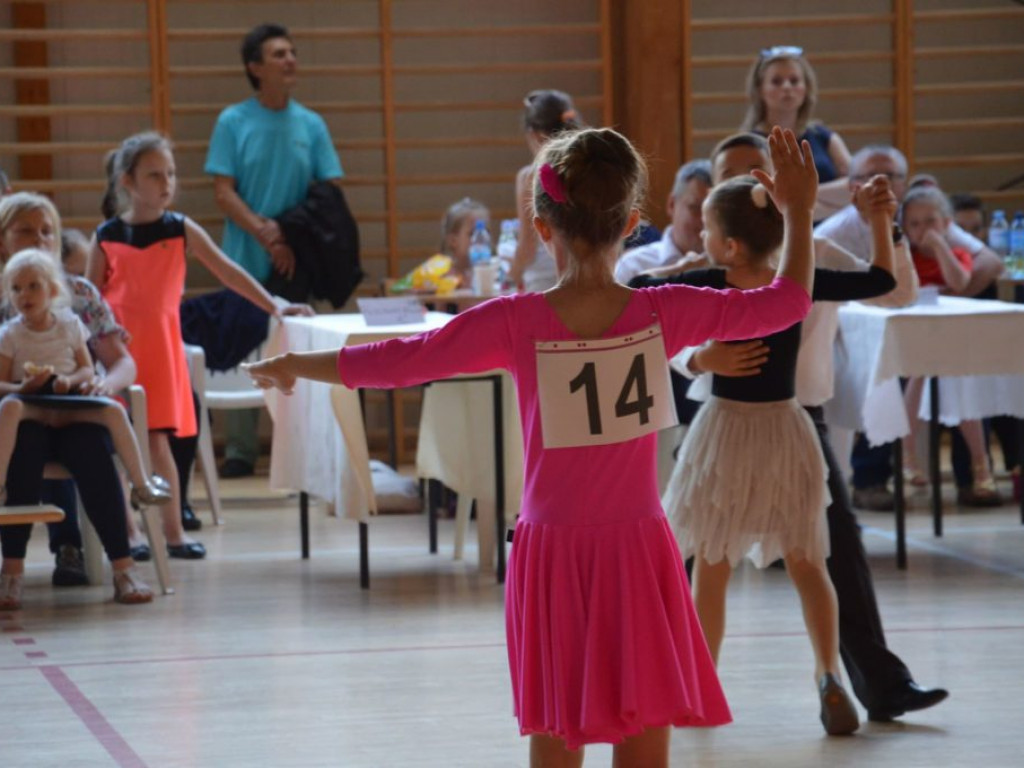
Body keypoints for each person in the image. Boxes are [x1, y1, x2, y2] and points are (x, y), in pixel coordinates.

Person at [243, 126, 816, 765]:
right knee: (644, 744)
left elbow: (403, 361)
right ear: (631, 224)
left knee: (555, 741)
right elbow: (788, 301)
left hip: (553, 552)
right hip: (637, 549)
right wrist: (797, 212)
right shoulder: (665, 308)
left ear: (543, 229)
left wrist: (297, 362)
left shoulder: (515, 320)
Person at [634, 132, 949, 726]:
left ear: (727, 243)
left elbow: (639, 299)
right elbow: (881, 279)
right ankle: (827, 671)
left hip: (734, 429)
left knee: (715, 562)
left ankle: (704, 687)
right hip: (785, 427)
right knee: (808, 561)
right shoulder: (794, 281)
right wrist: (701, 358)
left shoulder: (716, 277)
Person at [89, 131, 309, 559]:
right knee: (119, 447)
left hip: (162, 354)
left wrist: (276, 306)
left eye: (170, 173)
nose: (166, 182)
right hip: (120, 358)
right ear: (128, 182)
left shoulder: (181, 229)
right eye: (155, 175)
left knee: (158, 446)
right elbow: (90, 300)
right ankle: (130, 535)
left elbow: (229, 273)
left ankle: (173, 533)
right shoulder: (106, 236)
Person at [816, 145, 1005, 510]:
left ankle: (974, 475)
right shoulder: (835, 231)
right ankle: (872, 479)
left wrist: (955, 288)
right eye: (866, 178)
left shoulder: (921, 217)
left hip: (911, 325)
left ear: (903, 186)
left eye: (889, 178)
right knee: (880, 373)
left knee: (962, 366)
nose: (877, 185)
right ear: (851, 187)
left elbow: (990, 260)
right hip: (849, 338)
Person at [205, 22, 343, 479]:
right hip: (245, 258)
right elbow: (223, 191)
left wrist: (288, 234)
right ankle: (241, 450)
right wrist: (266, 232)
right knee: (245, 348)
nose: (290, 60)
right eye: (278, 54)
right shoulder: (233, 121)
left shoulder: (311, 124)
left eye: (292, 52)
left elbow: (328, 192)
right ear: (254, 67)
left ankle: (305, 446)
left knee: (299, 347)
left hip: (296, 259)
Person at [0, 191, 156, 586]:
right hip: (19, 414)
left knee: (89, 446)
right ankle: (13, 568)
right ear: (3, 239)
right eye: (26, 231)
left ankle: (122, 567)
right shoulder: (8, 308)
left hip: (76, 408)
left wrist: (102, 382)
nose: (40, 239)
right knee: (25, 444)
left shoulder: (81, 294)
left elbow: (122, 361)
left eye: (48, 231)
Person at [0, 248, 172, 510]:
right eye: (16, 288)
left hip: (69, 403)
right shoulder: (9, 334)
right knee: (9, 407)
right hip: (32, 403)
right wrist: (21, 387)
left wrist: (69, 382)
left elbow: (87, 369)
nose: (24, 294)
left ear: (53, 291)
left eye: (33, 286)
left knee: (114, 411)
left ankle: (141, 485)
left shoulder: (70, 325)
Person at [899, 186, 1001, 504]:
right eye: (914, 224)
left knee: (962, 388)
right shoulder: (905, 256)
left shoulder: (957, 253)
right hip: (917, 338)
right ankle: (907, 458)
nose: (922, 230)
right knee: (915, 378)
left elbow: (959, 282)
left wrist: (941, 247)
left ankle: (980, 464)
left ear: (946, 224)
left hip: (951, 340)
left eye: (930, 221)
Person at [741, 45, 851, 219]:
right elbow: (754, 198)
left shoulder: (824, 137)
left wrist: (798, 200)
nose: (786, 87)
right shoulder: (748, 143)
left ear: (806, 88)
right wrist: (823, 201)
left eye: (794, 81)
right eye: (776, 81)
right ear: (760, 90)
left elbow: (854, 185)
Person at [506, 89, 582, 293]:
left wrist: (509, 277)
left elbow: (528, 248)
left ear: (536, 135)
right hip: (589, 279)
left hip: (545, 284)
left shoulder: (530, 177)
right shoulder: (589, 170)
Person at [613, 159, 711, 285]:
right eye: (696, 207)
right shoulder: (633, 266)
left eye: (715, 211)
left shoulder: (734, 270)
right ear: (672, 205)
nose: (705, 219)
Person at [438, 197, 490, 288]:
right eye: (472, 233)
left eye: (486, 232)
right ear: (453, 240)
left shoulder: (494, 273)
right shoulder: (441, 276)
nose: (480, 240)